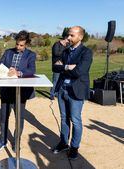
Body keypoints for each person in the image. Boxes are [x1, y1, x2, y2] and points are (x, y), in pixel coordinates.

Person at [52, 26, 93, 160]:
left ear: (80, 37)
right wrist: (67, 66)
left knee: (75, 120)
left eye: (71, 36)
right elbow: (54, 67)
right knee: (64, 118)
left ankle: (74, 147)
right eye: (68, 35)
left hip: (76, 91)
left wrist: (64, 67)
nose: (68, 38)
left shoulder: (86, 52)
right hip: (62, 88)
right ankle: (63, 143)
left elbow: (79, 72)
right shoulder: (65, 51)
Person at [0, 30, 36, 151]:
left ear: (26, 44)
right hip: (6, 90)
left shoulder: (31, 55)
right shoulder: (8, 52)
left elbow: (32, 70)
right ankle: (2, 140)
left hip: (21, 93)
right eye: (17, 44)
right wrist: (4, 70)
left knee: (19, 118)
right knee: (3, 117)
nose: (18, 47)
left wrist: (18, 73)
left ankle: (16, 142)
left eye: (21, 45)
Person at [50, 29, 69, 100]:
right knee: (55, 80)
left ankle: (57, 93)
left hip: (64, 66)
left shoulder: (68, 45)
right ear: (65, 38)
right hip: (57, 65)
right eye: (68, 38)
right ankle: (52, 94)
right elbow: (56, 53)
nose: (69, 40)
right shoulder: (57, 44)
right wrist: (64, 51)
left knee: (61, 80)